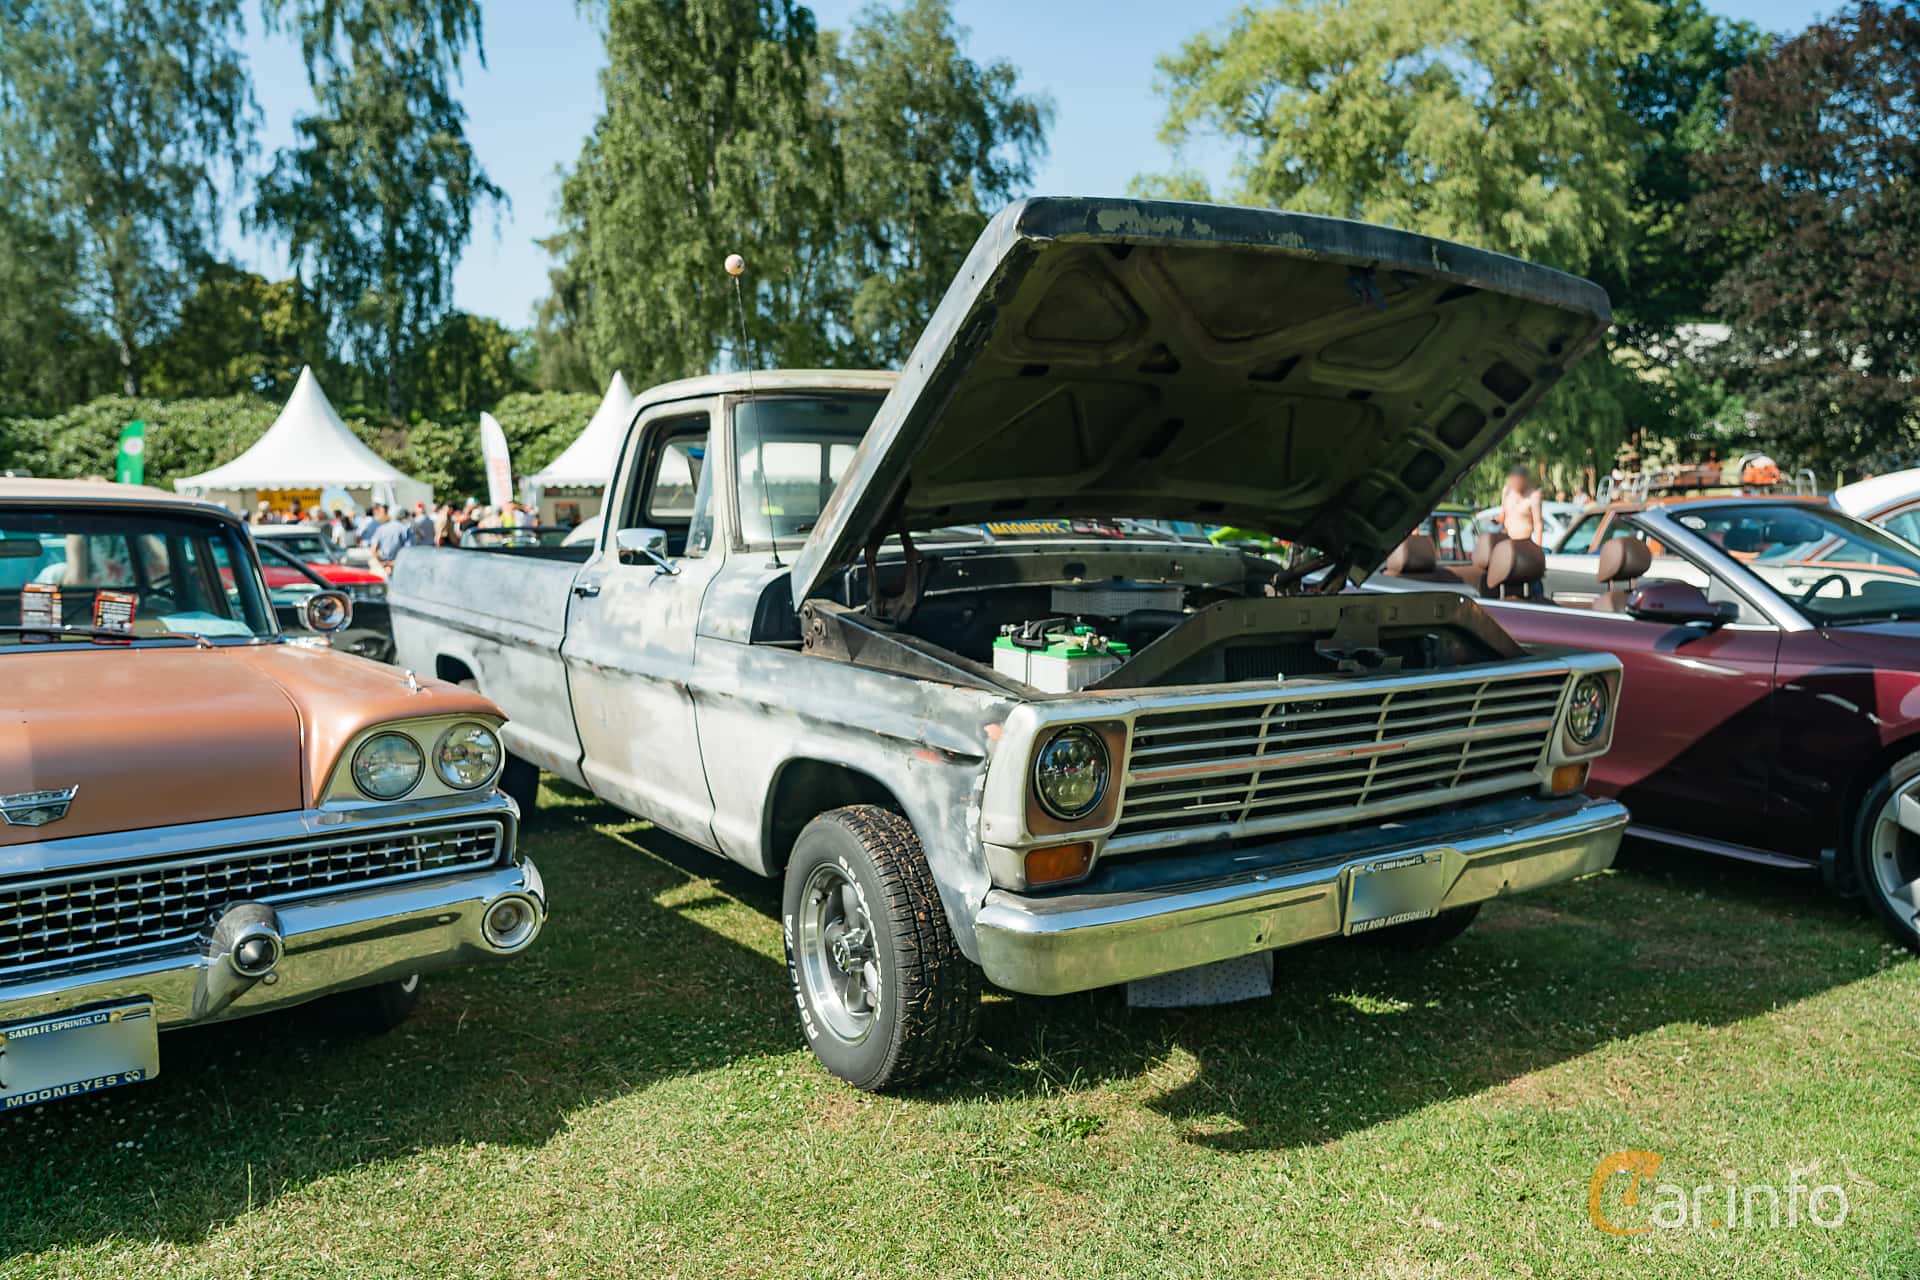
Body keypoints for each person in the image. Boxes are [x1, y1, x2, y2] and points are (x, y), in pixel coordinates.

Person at [1499, 464, 1545, 543]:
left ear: (1525, 479)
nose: (1516, 482)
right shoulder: (1507, 492)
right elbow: (1502, 516)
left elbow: (1538, 524)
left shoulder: (1533, 496)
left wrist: (1538, 548)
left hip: (1524, 543)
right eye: (1514, 479)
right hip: (1508, 541)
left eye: (1519, 479)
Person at [368, 508, 413, 576]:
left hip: (382, 565)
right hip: (399, 565)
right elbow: (408, 551)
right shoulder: (406, 529)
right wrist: (392, 563)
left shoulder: (381, 528)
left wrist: (383, 563)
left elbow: (373, 549)